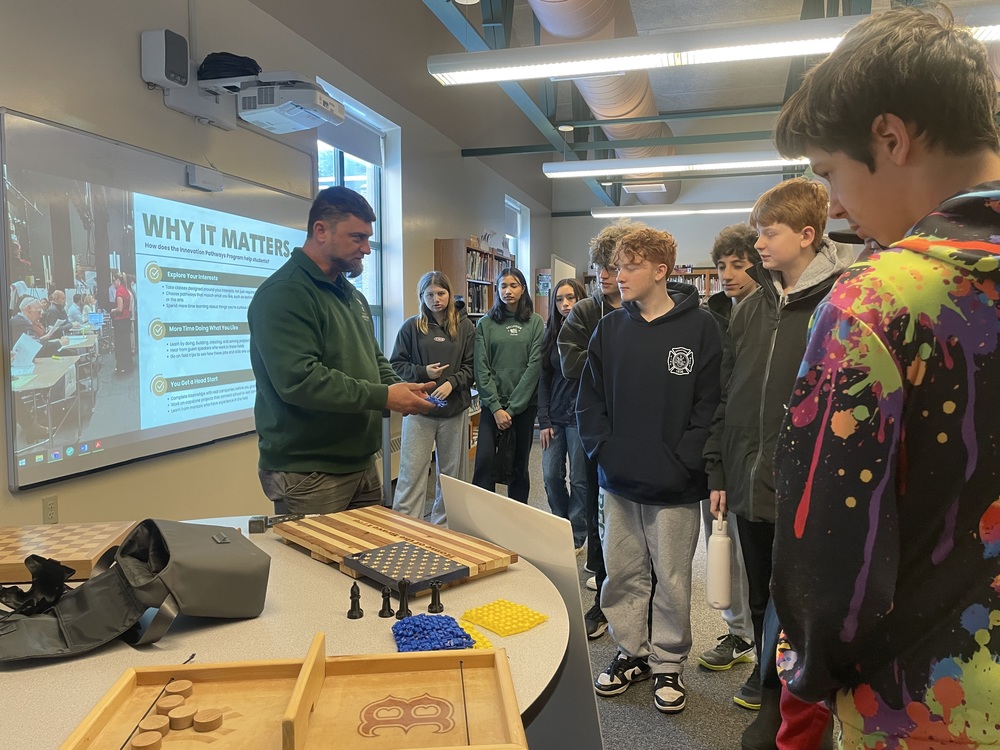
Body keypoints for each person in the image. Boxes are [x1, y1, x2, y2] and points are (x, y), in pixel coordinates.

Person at [770, 7, 1000, 749]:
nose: (832, 205)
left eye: (831, 173)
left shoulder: (875, 302)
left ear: (891, 138)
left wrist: (804, 677)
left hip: (929, 704)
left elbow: (831, 563)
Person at [702, 177, 854, 733]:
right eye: (758, 232)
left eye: (770, 233)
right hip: (747, 477)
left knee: (803, 604)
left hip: (809, 486)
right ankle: (771, 694)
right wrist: (718, 466)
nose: (759, 243)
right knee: (762, 592)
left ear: (808, 235)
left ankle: (794, 700)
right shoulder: (748, 308)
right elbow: (727, 393)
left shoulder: (843, 301)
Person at [578, 227, 721, 715]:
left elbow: (710, 405)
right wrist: (605, 452)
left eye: (630, 267)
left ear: (661, 271)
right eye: (617, 267)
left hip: (676, 484)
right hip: (619, 481)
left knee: (673, 577)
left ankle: (667, 662)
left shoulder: (701, 329)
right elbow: (589, 401)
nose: (619, 277)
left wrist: (683, 458)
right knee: (622, 573)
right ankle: (631, 652)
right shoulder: (609, 329)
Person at [248, 186, 435, 515]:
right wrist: (384, 397)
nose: (366, 248)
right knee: (314, 569)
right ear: (320, 230)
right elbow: (301, 380)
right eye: (357, 238)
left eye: (367, 238)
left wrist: (398, 386)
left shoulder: (350, 294)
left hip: (360, 463)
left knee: (368, 563)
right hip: (309, 472)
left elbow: (372, 356)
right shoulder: (284, 294)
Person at [697, 224, 758, 675]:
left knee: (748, 546)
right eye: (721, 266)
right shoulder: (716, 315)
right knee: (721, 540)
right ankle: (738, 631)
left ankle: (755, 634)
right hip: (718, 443)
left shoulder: (769, 312)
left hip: (752, 451)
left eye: (739, 264)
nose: (728, 274)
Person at [390, 271, 475, 525]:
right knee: (411, 472)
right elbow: (396, 364)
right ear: (421, 297)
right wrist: (422, 372)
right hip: (420, 410)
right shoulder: (411, 327)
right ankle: (405, 527)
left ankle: (444, 529)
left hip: (454, 411)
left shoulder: (465, 327)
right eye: (429, 294)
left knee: (450, 477)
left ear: (449, 294)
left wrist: (451, 382)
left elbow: (473, 366)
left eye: (441, 293)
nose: (436, 299)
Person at [471, 266, 543, 503]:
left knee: (519, 466)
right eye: (503, 286)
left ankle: (517, 519)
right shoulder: (485, 324)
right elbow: (481, 367)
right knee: (483, 464)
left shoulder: (535, 323)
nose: (508, 291)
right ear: (497, 289)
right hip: (493, 407)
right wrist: (496, 407)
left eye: (513, 285)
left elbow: (534, 367)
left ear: (523, 289)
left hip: (522, 408)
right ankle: (482, 520)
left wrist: (512, 409)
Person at [538, 277, 588, 550]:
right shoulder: (551, 333)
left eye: (570, 298)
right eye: (559, 299)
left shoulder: (592, 329)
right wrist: (543, 420)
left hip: (581, 418)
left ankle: (577, 534)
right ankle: (561, 525)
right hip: (555, 417)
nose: (565, 304)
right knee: (550, 476)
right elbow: (543, 379)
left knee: (580, 479)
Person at [110, 273, 133, 374]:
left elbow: (119, 309)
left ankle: (120, 366)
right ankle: (128, 365)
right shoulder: (127, 291)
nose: (113, 283)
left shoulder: (119, 291)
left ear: (118, 280)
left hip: (120, 321)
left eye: (114, 281)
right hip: (127, 319)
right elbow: (129, 308)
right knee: (126, 343)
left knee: (119, 344)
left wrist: (112, 310)